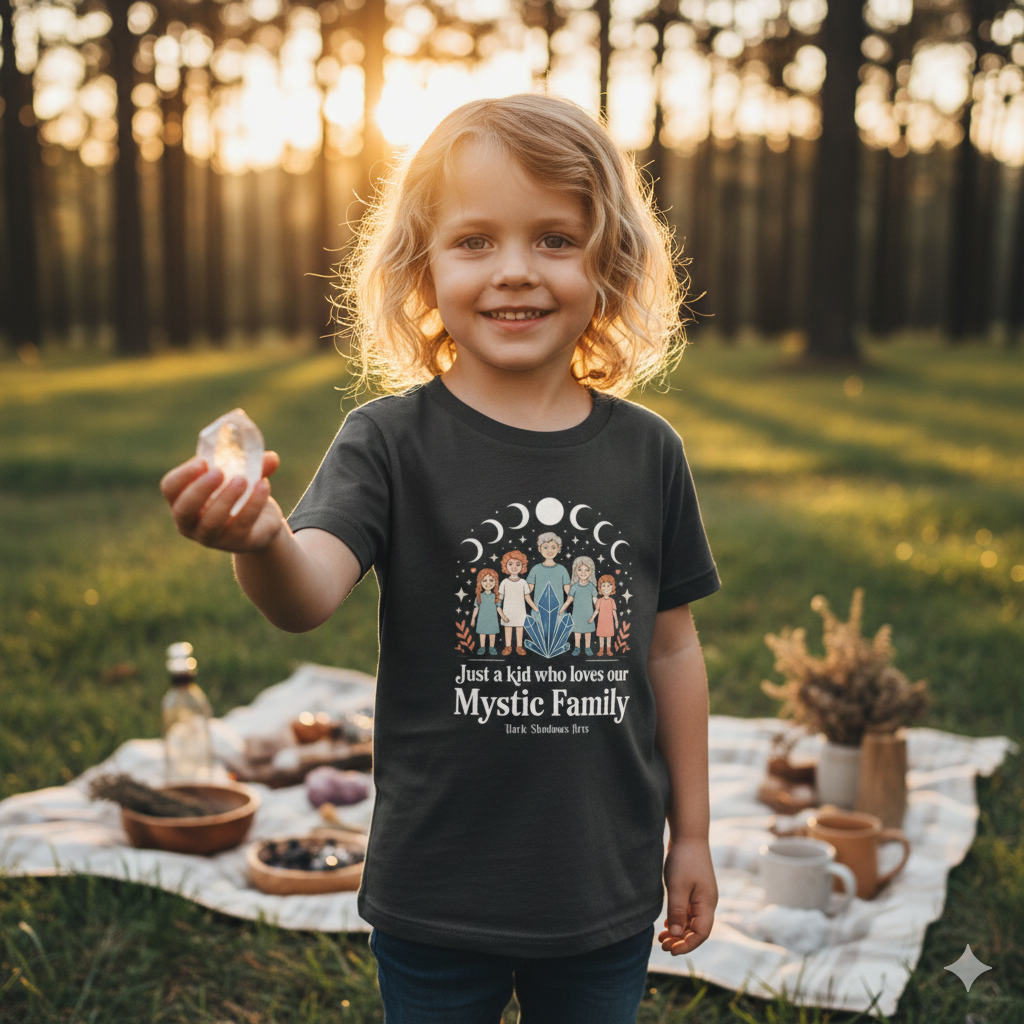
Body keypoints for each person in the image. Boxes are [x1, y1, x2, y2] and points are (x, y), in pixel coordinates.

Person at [160, 93, 720, 1024]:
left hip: (601, 885)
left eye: (554, 238)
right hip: (436, 885)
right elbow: (306, 594)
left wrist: (691, 834)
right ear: (421, 267)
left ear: (609, 261)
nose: (514, 272)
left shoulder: (647, 450)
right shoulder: (386, 441)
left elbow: (671, 652)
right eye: (473, 242)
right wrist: (262, 540)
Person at [590, 574, 620, 656]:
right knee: (601, 637)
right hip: (601, 622)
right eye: (603, 586)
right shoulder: (599, 601)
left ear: (612, 588)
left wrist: (616, 621)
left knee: (609, 637)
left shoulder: (612, 601)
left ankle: (608, 650)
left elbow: (614, 612)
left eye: (608, 586)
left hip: (609, 623)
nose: (606, 588)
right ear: (600, 588)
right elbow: (596, 611)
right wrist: (592, 619)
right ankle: (601, 650)